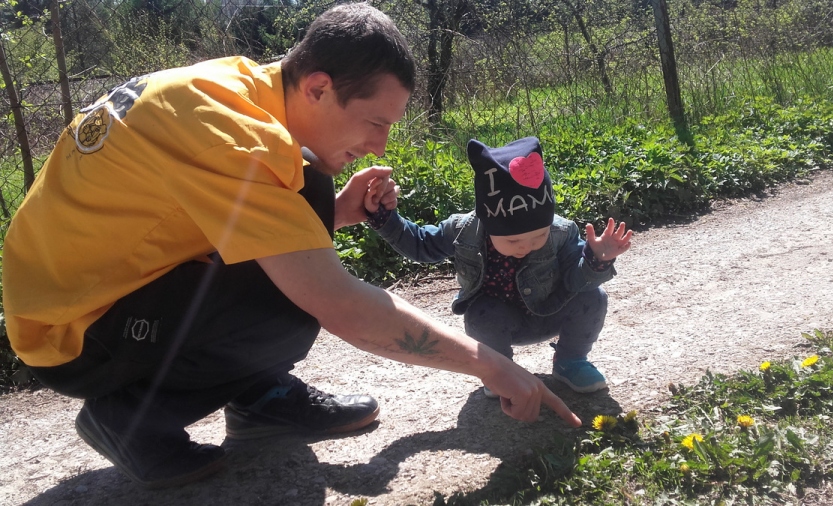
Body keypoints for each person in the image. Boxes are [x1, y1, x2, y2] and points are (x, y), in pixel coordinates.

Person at [1, 3, 580, 490]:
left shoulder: (233, 87)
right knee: (294, 295)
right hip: (74, 334)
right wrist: (491, 365)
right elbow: (340, 305)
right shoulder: (240, 140)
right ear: (318, 86)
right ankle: (131, 419)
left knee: (309, 189)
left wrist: (329, 213)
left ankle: (257, 399)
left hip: (82, 293)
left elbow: (182, 210)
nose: (379, 142)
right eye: (375, 122)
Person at [364, 136, 633, 398]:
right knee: (481, 312)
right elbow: (422, 245)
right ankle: (501, 372)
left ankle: (571, 361)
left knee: (592, 296)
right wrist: (384, 218)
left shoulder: (561, 232)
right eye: (513, 239)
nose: (524, 246)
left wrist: (598, 261)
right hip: (500, 323)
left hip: (551, 311)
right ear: (488, 222)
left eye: (539, 237)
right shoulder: (464, 230)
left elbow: (577, 281)